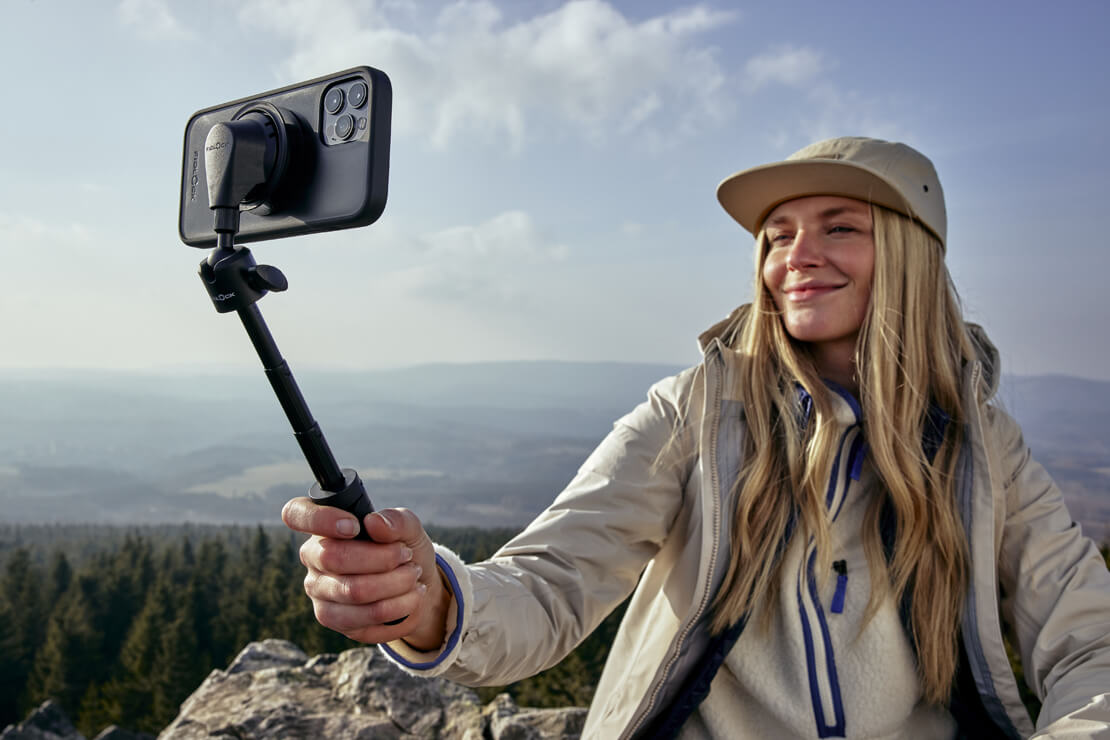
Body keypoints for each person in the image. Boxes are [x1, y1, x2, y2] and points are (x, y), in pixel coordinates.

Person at [281, 137, 1110, 738]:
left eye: (838, 227)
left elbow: (1088, 637)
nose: (796, 256)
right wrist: (430, 603)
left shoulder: (983, 448)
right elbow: (552, 581)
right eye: (777, 234)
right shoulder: (696, 411)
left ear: (912, 254)